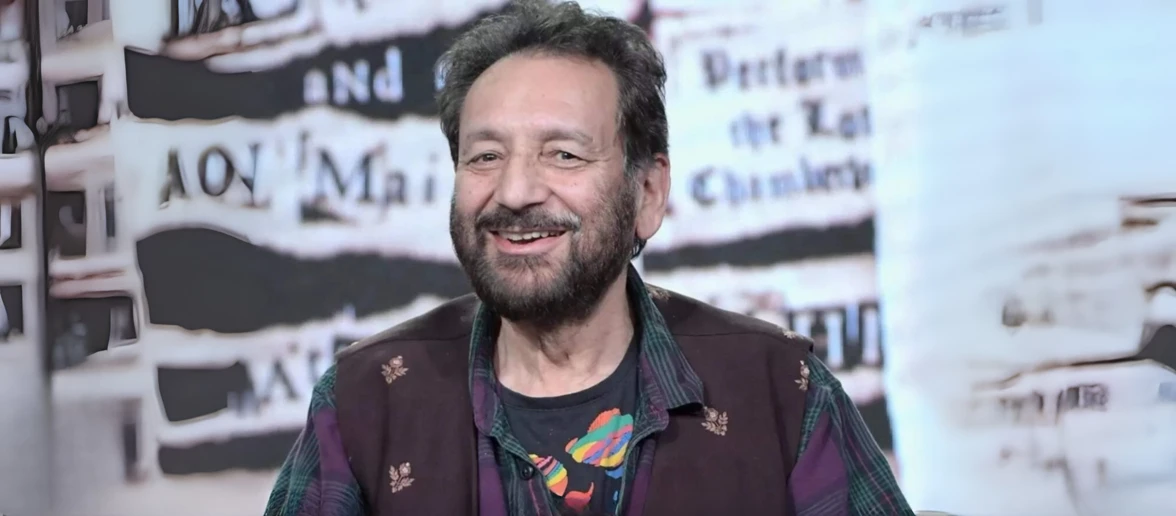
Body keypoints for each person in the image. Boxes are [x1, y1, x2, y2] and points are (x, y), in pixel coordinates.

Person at [264, 1, 914, 514]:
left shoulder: (780, 391)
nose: (515, 191)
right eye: (485, 156)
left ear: (647, 193)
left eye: (564, 154)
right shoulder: (368, 399)